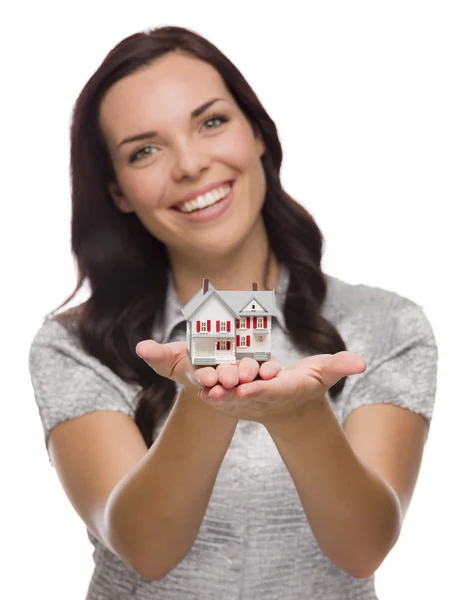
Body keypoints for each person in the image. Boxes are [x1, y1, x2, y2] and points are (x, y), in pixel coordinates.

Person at [28, 25, 438, 600]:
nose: (190, 164)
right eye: (145, 150)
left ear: (257, 134)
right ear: (117, 190)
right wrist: (204, 402)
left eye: (211, 121)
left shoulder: (387, 325)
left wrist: (301, 418)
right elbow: (144, 548)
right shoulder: (73, 346)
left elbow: (364, 546)